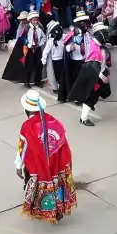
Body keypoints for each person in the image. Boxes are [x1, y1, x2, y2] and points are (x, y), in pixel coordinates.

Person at [15, 90, 77, 223]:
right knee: (57, 184)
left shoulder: (27, 126)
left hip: (38, 165)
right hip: (57, 161)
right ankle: (58, 209)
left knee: (35, 186)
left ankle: (42, 209)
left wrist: (18, 165)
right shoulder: (53, 120)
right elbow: (62, 142)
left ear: (26, 109)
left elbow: (23, 148)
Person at [41, 21, 67, 93]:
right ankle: (55, 87)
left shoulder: (62, 38)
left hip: (61, 59)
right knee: (56, 74)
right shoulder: (51, 41)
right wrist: (44, 60)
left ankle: (62, 86)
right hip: (55, 60)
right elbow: (46, 51)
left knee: (62, 74)